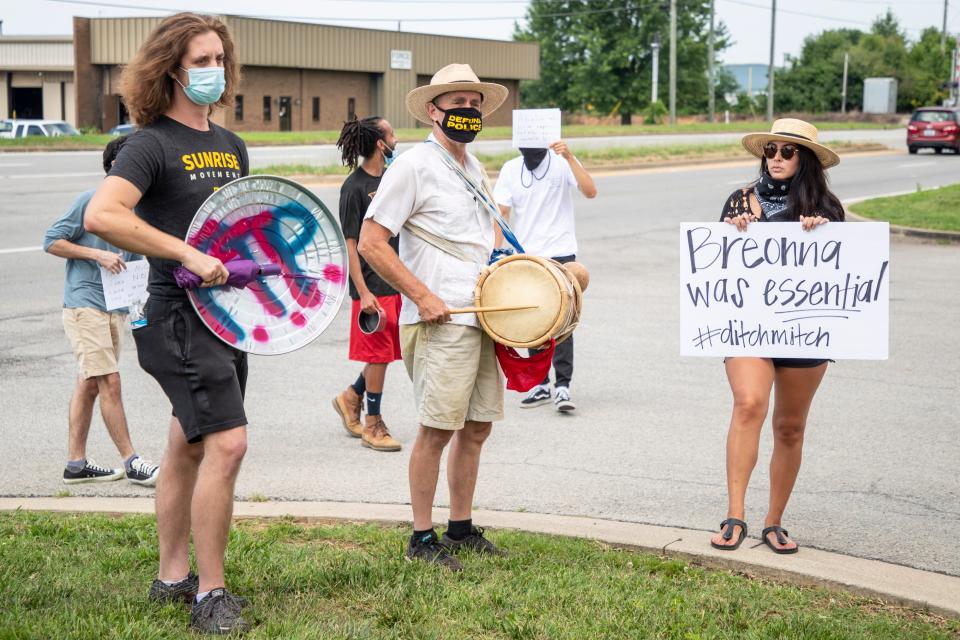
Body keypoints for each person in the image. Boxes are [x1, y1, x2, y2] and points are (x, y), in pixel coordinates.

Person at [84, 12, 251, 634]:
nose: (212, 71)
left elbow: (237, 227)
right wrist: (183, 252)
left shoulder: (232, 145)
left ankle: (172, 577)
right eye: (200, 61)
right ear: (170, 69)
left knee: (187, 443)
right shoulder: (147, 144)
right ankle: (211, 594)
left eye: (218, 60)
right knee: (227, 443)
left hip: (226, 318)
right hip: (173, 315)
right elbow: (104, 214)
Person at [358, 63, 510, 571]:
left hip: (480, 315)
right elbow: (372, 242)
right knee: (437, 429)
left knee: (477, 427)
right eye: (457, 105)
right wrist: (421, 296)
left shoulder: (473, 167)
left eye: (474, 105)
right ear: (433, 110)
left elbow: (486, 236)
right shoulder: (414, 165)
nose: (467, 113)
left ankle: (460, 529)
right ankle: (421, 539)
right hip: (440, 321)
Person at [709, 119, 844, 556]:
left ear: (805, 159)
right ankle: (735, 515)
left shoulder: (826, 206)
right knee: (748, 403)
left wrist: (823, 231)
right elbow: (717, 262)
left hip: (804, 329)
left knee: (789, 426)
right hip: (749, 324)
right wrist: (734, 232)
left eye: (788, 152)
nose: (778, 158)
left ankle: (774, 521)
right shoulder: (738, 201)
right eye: (771, 150)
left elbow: (843, 272)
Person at [43, 135, 160, 487]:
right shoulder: (89, 201)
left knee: (89, 383)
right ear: (115, 170)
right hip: (84, 305)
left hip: (116, 309)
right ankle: (132, 460)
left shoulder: (137, 211)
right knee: (109, 380)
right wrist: (98, 254)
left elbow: (139, 271)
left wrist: (140, 315)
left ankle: (75, 464)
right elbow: (52, 240)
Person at [493, 140, 597, 413]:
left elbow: (590, 191)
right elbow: (501, 213)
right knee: (531, 319)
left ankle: (563, 385)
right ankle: (540, 383)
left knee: (562, 320)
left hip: (561, 252)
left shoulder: (562, 164)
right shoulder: (510, 169)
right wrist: (493, 253)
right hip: (527, 255)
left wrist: (570, 156)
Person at [331, 115, 403, 452]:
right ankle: (373, 424)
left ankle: (351, 397)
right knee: (378, 353)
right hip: (372, 284)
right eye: (391, 133)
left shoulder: (392, 179)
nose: (396, 138)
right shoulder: (354, 187)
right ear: (380, 142)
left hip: (394, 276)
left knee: (385, 352)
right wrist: (363, 291)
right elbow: (349, 244)